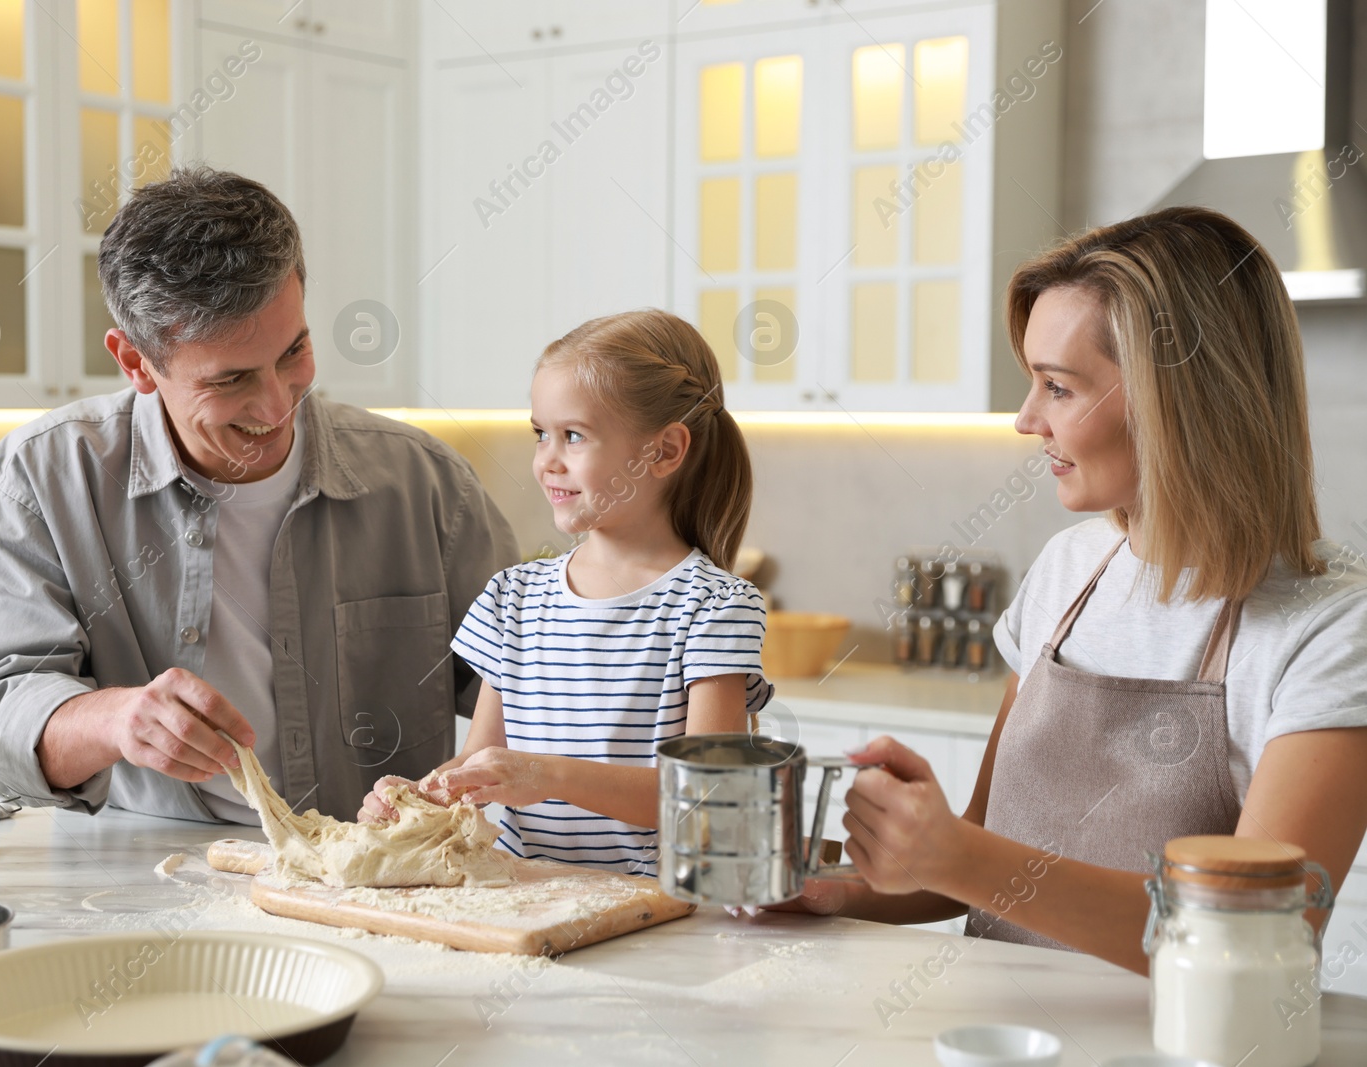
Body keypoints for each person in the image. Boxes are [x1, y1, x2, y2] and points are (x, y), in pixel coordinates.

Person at [771, 206, 1367, 974]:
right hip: (998, 1039)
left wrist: (961, 856)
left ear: (1171, 401)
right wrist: (837, 886)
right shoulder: (1067, 570)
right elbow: (981, 862)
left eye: (1057, 386)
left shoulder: (1328, 628)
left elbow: (1250, 939)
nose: (1026, 419)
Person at [0, 166, 518, 824]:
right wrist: (116, 719)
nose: (277, 404)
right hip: (151, 885)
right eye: (231, 379)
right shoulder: (39, 479)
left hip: (376, 887)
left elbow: (534, 686)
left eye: (294, 350)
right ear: (135, 362)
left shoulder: (424, 483)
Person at [358, 309, 773, 876]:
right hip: (521, 900)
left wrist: (546, 774)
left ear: (666, 451)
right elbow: (478, 767)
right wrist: (419, 796)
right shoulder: (513, 598)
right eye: (540, 434)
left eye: (573, 435)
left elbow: (705, 795)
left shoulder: (714, 608)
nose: (546, 461)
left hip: (650, 917)